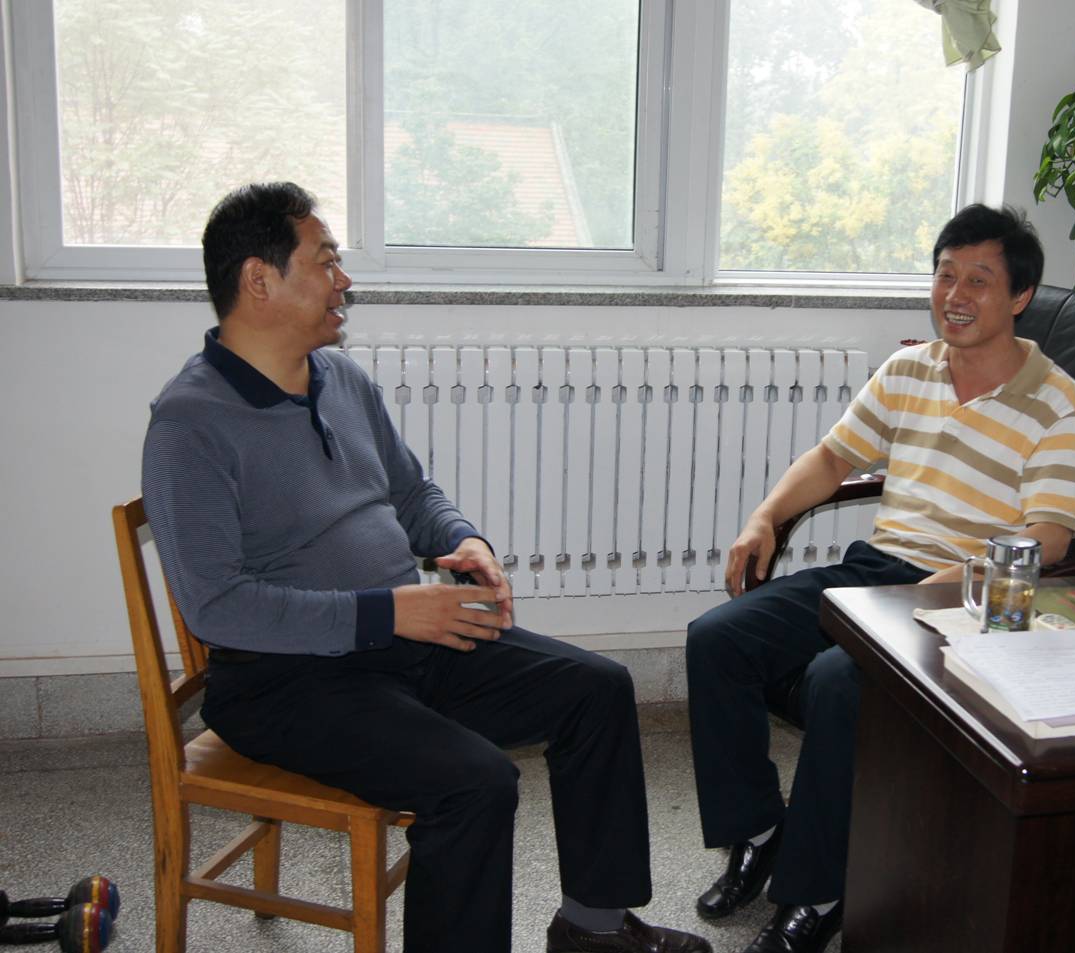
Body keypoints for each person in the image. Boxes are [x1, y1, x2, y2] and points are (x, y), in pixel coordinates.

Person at [141, 181, 711, 953]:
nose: (344, 280)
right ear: (259, 280)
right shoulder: (190, 423)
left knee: (596, 689)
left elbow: (411, 491)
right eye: (326, 261)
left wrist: (462, 540)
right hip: (285, 682)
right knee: (474, 783)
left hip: (404, 644)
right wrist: (390, 611)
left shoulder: (341, 379)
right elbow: (217, 606)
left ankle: (594, 926)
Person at [684, 205, 1075, 953]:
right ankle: (758, 831)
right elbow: (832, 458)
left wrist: (943, 583)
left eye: (978, 279)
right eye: (945, 274)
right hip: (879, 570)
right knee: (718, 639)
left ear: (1020, 297)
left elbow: (1048, 536)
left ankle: (817, 890)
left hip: (968, 597)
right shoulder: (910, 368)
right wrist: (765, 516)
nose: (955, 295)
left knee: (838, 682)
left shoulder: (1060, 402)